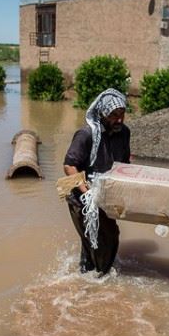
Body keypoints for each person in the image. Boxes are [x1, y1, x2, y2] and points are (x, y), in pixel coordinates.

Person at [63, 88, 130, 276]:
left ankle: (92, 275)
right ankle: (94, 279)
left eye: (122, 114)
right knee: (93, 240)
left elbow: (125, 164)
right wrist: (87, 193)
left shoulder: (124, 133)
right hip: (82, 199)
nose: (119, 120)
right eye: (114, 115)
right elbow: (69, 166)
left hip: (107, 195)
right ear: (102, 114)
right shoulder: (86, 134)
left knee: (109, 237)